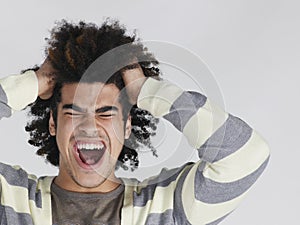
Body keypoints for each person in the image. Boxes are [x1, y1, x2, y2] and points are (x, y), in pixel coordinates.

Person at [0, 19, 270, 225]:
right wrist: (32, 83)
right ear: (53, 124)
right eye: (74, 112)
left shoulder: (168, 208)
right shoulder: (10, 199)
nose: (90, 126)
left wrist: (147, 91)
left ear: (127, 126)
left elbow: (246, 156)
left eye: (105, 112)